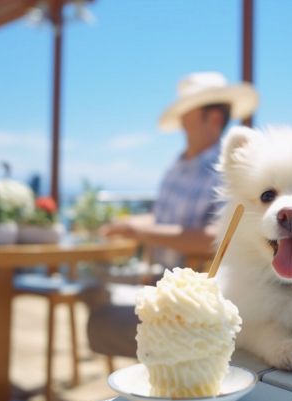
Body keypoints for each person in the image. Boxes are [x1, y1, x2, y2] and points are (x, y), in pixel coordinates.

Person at [101, 71, 259, 270]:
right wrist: (129, 225)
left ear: (215, 118)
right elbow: (164, 218)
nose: (182, 120)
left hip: (198, 291)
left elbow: (220, 236)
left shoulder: (229, 171)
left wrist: (142, 231)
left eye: (186, 112)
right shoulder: (178, 165)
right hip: (164, 282)